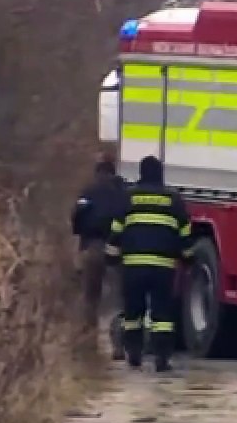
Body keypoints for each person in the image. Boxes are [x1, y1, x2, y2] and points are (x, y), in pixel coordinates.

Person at [104, 155, 193, 372]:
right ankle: (161, 358)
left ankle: (134, 353)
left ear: (141, 173)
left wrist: (112, 258)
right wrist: (187, 258)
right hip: (163, 268)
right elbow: (185, 233)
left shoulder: (128, 197)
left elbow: (116, 230)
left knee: (133, 312)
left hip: (133, 267)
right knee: (162, 314)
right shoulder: (174, 199)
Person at [71, 157, 128, 359]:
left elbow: (77, 216)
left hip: (94, 247)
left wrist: (80, 235)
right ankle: (118, 347)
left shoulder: (89, 191)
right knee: (117, 301)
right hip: (120, 250)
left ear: (98, 173)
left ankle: (89, 346)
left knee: (91, 299)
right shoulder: (124, 193)